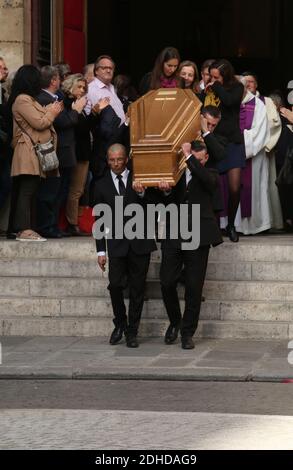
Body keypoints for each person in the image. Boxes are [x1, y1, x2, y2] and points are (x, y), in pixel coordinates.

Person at [158, 141, 222, 349]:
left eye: (198, 158)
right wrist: (166, 191)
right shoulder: (176, 172)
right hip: (174, 231)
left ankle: (187, 332)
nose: (194, 161)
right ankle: (176, 321)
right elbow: (165, 201)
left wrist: (189, 157)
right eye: (192, 157)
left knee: (194, 287)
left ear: (205, 159)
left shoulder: (210, 173)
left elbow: (206, 180)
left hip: (199, 234)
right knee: (167, 281)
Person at [93, 144, 157, 348]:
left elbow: (155, 205)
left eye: (119, 159)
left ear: (126, 159)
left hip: (140, 242)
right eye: (112, 160)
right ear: (107, 160)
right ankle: (120, 323)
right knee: (115, 285)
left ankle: (132, 332)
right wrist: (101, 250)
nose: (116, 163)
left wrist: (141, 194)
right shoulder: (100, 185)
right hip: (116, 244)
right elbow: (99, 220)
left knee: (138, 289)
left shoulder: (140, 178)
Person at [7, 65, 62, 241]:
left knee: (30, 189)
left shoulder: (30, 99)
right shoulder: (22, 100)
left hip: (33, 152)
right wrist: (52, 113)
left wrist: (50, 111)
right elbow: (39, 123)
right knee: (27, 190)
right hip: (27, 151)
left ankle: (25, 228)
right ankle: (23, 229)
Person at [203, 59, 245, 242]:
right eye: (210, 76)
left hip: (233, 142)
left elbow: (229, 102)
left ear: (225, 76)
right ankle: (213, 225)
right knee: (211, 185)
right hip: (215, 141)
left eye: (215, 76)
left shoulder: (237, 87)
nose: (211, 79)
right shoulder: (210, 90)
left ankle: (231, 225)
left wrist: (216, 87)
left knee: (234, 187)